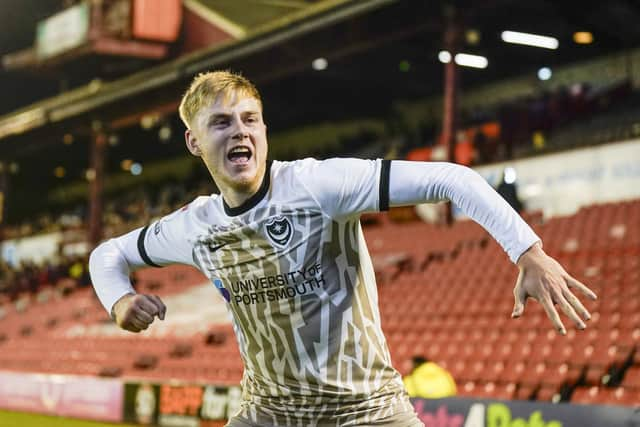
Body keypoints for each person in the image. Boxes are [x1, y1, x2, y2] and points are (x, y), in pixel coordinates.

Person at [89, 70, 597, 427]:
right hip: (270, 413)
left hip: (367, 410)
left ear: (264, 129)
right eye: (221, 123)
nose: (240, 130)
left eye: (250, 118)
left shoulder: (318, 185)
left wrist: (528, 252)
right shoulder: (195, 227)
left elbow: (450, 177)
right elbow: (106, 254)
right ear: (194, 142)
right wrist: (120, 300)